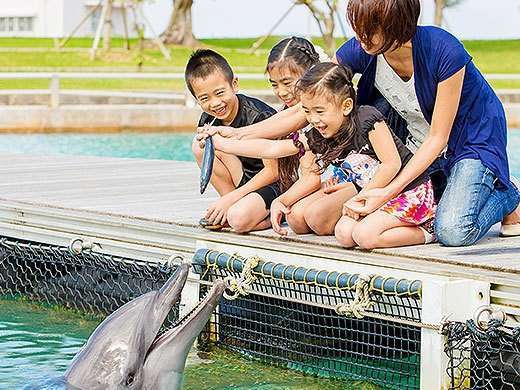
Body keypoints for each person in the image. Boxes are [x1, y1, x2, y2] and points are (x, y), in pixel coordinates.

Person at [204, 0, 520, 246]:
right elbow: (309, 104)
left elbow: (439, 137)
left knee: (453, 230)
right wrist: (238, 132)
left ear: (395, 23)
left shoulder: (443, 50)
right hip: (418, 143)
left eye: (369, 27)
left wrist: (385, 192)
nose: (360, 36)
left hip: (470, 141)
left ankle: (507, 194)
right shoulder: (363, 49)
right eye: (357, 26)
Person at [203, 62, 436, 248]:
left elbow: (391, 164)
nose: (313, 119)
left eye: (319, 111)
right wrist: (224, 141)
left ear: (345, 106)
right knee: (345, 235)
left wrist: (364, 197)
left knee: (365, 237)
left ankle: (427, 231)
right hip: (371, 195)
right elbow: (272, 149)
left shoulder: (367, 119)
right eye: (306, 111)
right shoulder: (319, 134)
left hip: (404, 191)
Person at [186, 49, 279, 232]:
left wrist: (233, 198)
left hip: (274, 184)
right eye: (205, 98)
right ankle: (230, 206)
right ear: (197, 100)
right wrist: (231, 197)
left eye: (220, 93)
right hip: (243, 181)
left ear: (234, 84)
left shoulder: (259, 116)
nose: (215, 103)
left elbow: (274, 172)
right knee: (201, 145)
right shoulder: (208, 119)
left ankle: (271, 215)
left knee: (238, 219)